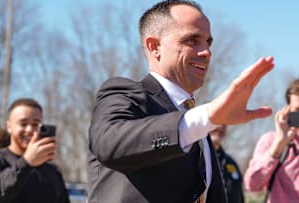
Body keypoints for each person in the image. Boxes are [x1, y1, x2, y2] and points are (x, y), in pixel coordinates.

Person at [87, 1, 274, 203]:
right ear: (155, 46)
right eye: (192, 40)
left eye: (208, 42)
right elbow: (110, 143)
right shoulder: (125, 94)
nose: (207, 52)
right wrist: (208, 116)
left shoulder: (196, 121)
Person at [0, 98, 70, 203]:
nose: (30, 130)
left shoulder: (52, 170)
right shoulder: (0, 160)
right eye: (23, 123)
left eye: (36, 124)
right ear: (9, 126)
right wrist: (26, 162)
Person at [210, 125, 244, 203]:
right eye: (217, 122)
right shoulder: (196, 160)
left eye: (224, 124)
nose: (221, 127)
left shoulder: (230, 162)